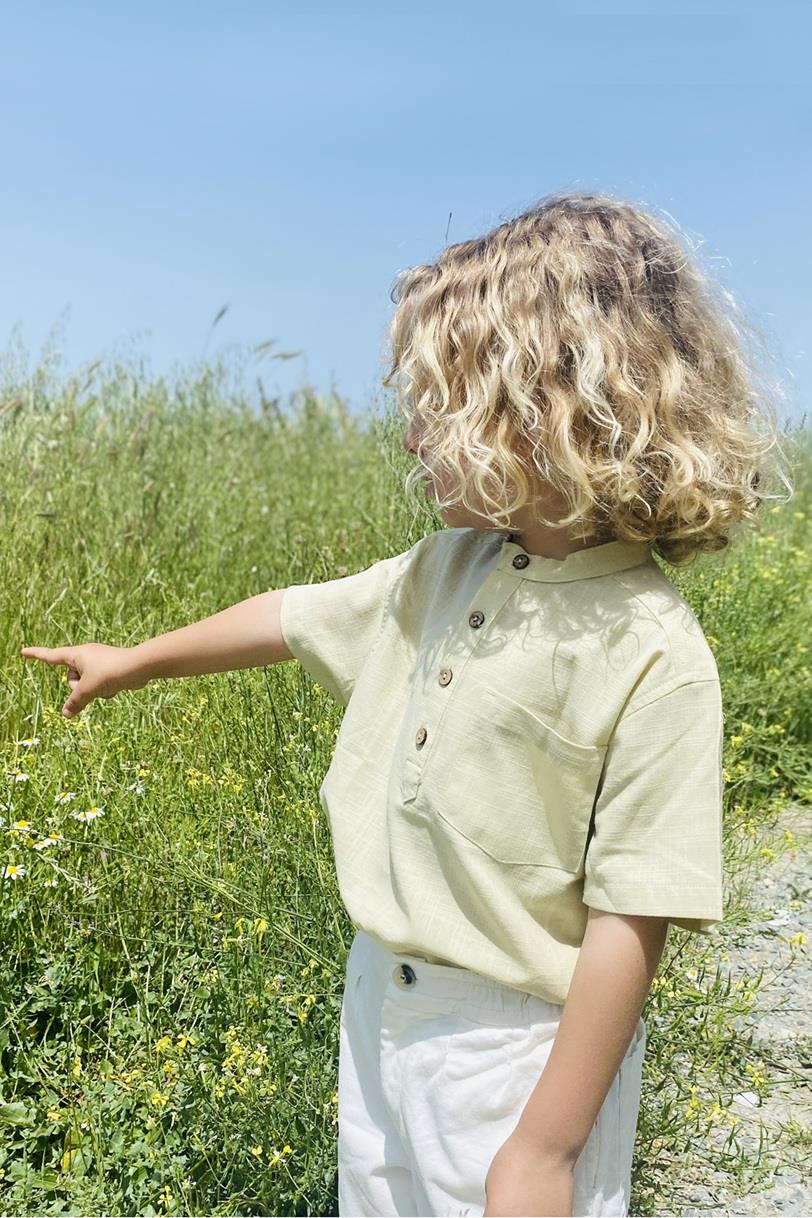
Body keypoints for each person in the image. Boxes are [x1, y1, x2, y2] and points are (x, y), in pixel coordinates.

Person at [20, 190, 790, 1218]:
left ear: (544, 412)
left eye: (437, 408)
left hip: (517, 1052)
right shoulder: (446, 568)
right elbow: (294, 615)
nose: (410, 439)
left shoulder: (651, 650)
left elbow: (629, 920)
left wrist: (544, 1149)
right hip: (379, 1002)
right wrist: (137, 659)